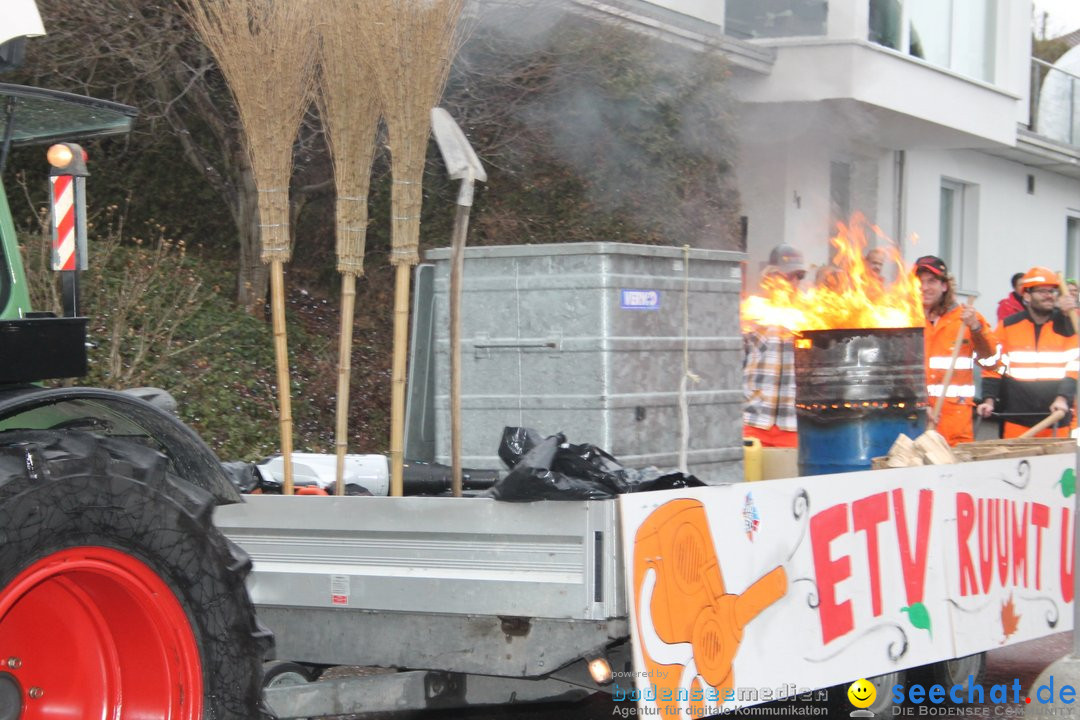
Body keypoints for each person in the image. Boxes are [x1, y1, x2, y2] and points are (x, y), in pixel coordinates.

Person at [977, 266, 1079, 438]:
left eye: (1052, 291)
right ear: (1026, 296)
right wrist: (989, 399)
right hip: (1016, 418)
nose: (1049, 295)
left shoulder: (1066, 325)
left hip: (1055, 417)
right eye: (1042, 291)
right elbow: (993, 366)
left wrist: (1062, 398)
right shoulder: (1008, 326)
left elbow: (1073, 368)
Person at [914, 256, 998, 445]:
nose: (924, 287)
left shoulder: (966, 319)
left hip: (955, 427)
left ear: (945, 285)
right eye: (919, 281)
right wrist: (920, 405)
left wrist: (976, 328)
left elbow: (992, 362)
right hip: (916, 423)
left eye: (931, 281)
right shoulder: (907, 319)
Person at [743, 245, 806, 448]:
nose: (794, 281)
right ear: (771, 276)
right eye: (789, 276)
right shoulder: (753, 313)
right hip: (752, 422)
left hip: (793, 425)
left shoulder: (811, 316)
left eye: (799, 276)